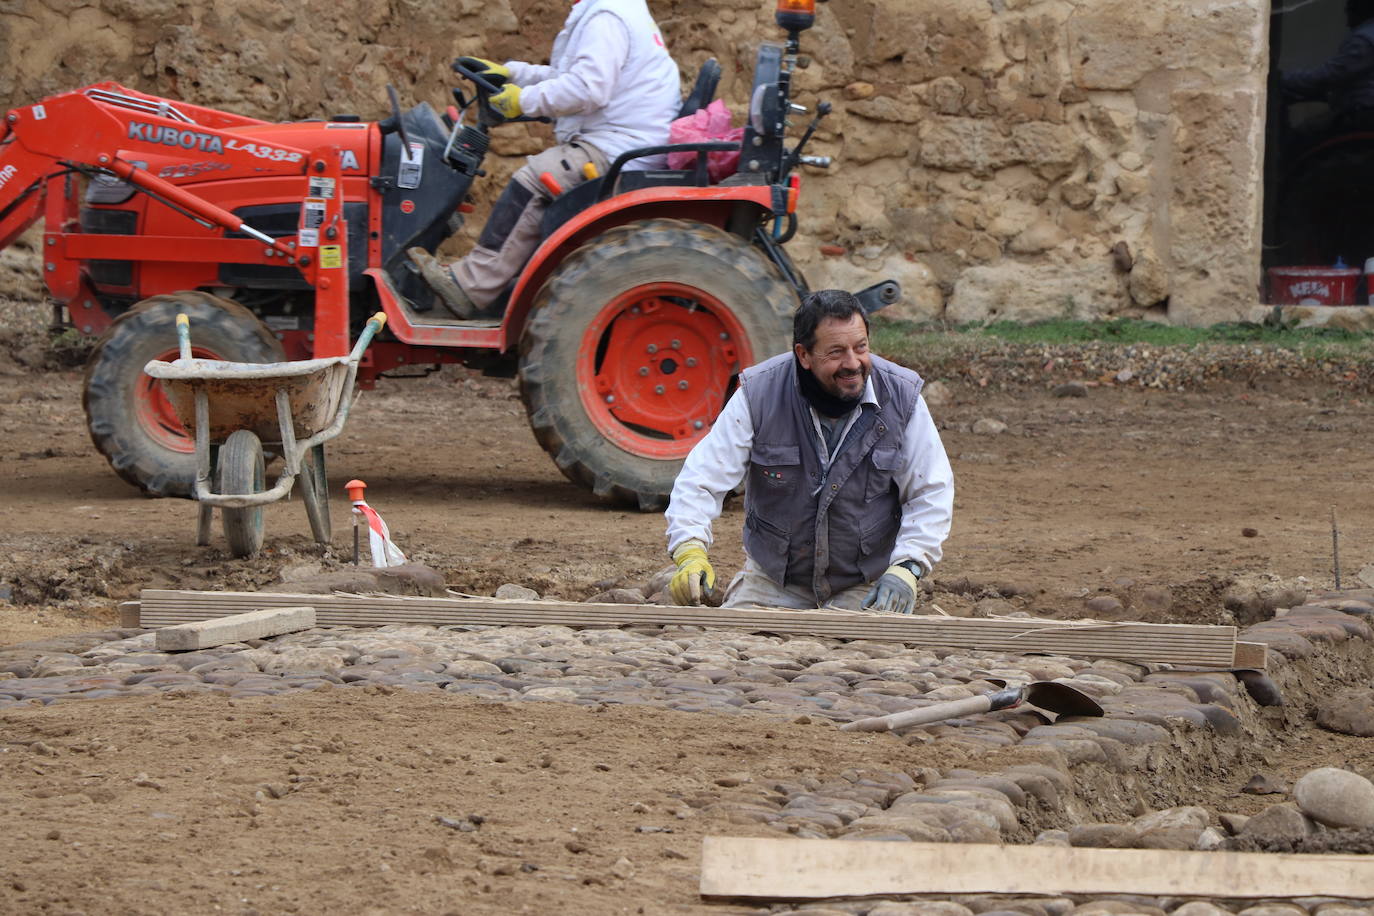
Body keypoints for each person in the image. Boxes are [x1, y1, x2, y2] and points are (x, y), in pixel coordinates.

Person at [663, 289, 954, 614]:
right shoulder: (758, 395)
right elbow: (701, 480)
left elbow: (930, 491)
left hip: (865, 585)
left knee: (866, 658)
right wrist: (690, 550)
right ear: (803, 355)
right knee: (731, 650)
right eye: (836, 352)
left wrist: (908, 568)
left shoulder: (902, 397)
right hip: (774, 582)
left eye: (861, 347)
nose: (853, 363)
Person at [409, 0, 681, 318]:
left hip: (620, 148)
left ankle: (471, 287)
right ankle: (496, 286)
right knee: (541, 178)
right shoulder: (613, 10)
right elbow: (567, 75)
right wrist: (512, 73)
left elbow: (587, 89)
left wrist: (521, 101)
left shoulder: (606, 17)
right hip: (624, 140)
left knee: (534, 180)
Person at [1280, 0, 1374, 139]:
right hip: (1360, 109)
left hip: (1361, 114)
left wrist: (1282, 79)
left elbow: (1329, 77)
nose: (1346, 12)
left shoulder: (1364, 39)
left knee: (1302, 135)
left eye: (1350, 7)